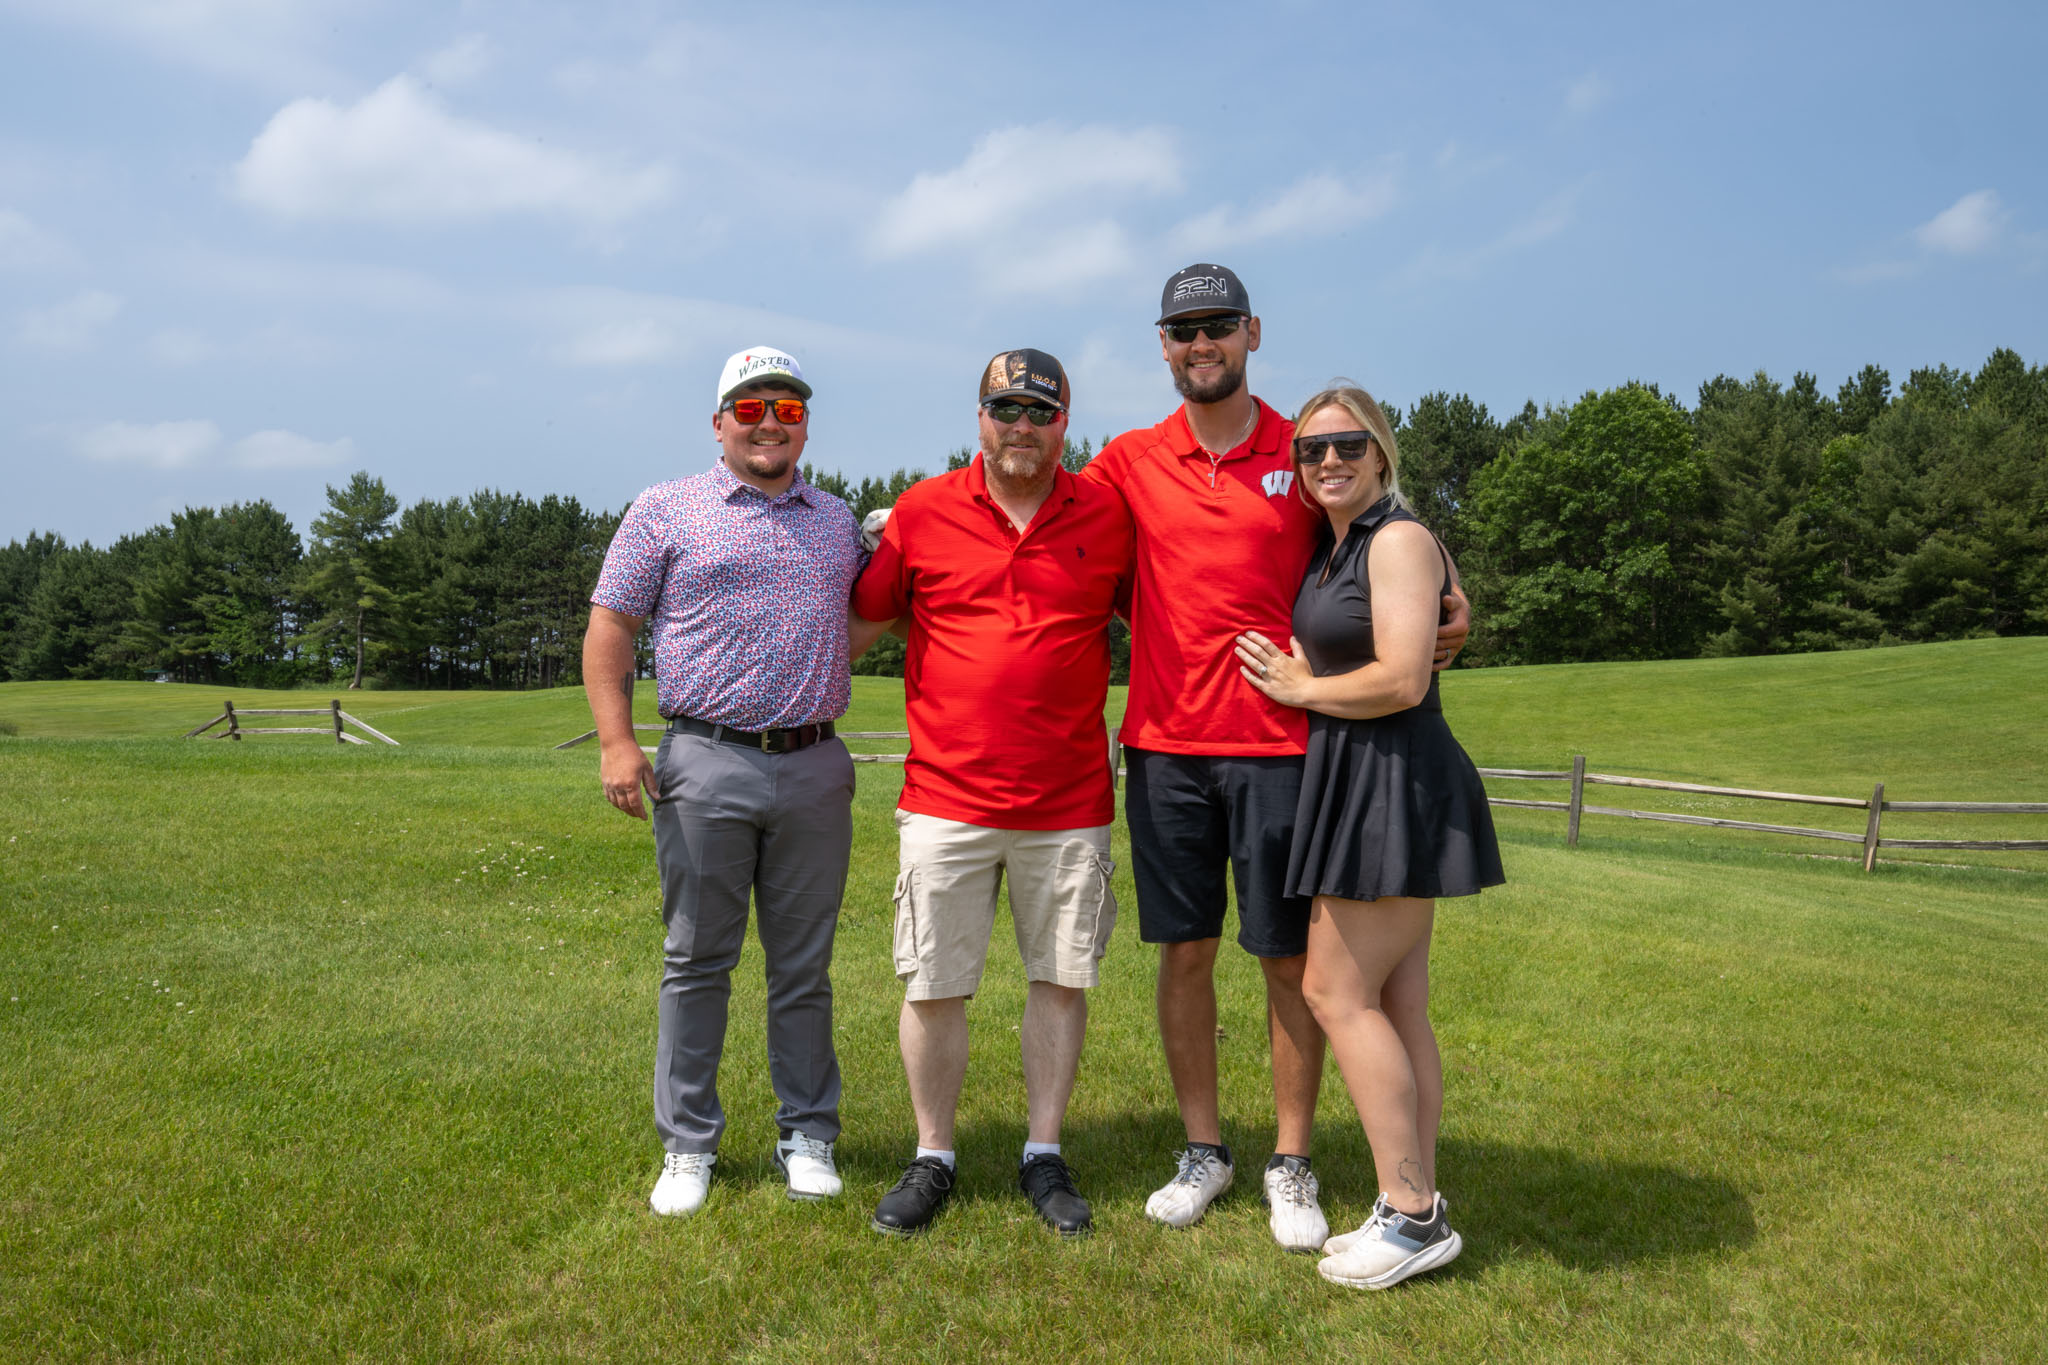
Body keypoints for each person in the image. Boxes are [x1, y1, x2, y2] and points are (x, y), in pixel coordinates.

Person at [1078, 264, 1470, 1251]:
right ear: (1163, 345)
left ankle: (1290, 1162)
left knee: (1288, 960)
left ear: (1252, 333)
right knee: (1185, 951)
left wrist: (1451, 602)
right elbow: (1048, 516)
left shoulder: (1305, 451)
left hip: (1286, 749)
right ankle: (1203, 1151)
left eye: (1218, 325)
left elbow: (1388, 530)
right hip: (1164, 748)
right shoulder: (1128, 459)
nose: (1200, 343)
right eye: (1183, 330)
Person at [850, 350, 1133, 1237]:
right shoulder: (923, 511)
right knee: (934, 982)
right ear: (980, 417)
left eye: (1041, 412)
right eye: (1006, 409)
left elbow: (1175, 611)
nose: (1022, 426)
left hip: (1070, 799)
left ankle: (1043, 1153)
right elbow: (858, 623)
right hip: (946, 796)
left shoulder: (1107, 514)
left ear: (1064, 425)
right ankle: (933, 1155)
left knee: (1060, 978)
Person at [582, 345, 864, 1217]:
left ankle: (806, 1133)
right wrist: (617, 741)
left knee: (804, 966)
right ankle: (688, 1143)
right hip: (705, 760)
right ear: (718, 424)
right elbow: (611, 626)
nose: (768, 424)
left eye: (787, 409)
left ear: (805, 425)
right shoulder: (665, 508)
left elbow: (867, 616)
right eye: (749, 409)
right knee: (697, 960)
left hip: (814, 762)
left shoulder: (838, 520)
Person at [1234, 383, 1503, 1288]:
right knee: (1396, 1002)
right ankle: (1410, 1200)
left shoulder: (1395, 538)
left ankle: (1414, 1214)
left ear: (1382, 451)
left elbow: (1401, 679)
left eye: (1348, 444)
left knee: (1335, 991)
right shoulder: (1345, 540)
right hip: (1359, 775)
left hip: (1394, 779)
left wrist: (1303, 689)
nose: (1329, 461)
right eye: (1312, 451)